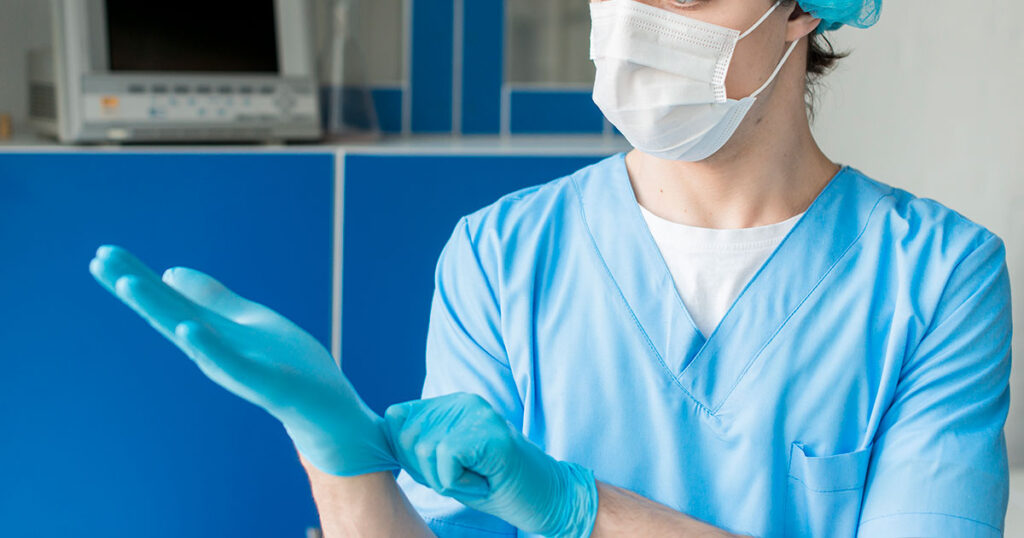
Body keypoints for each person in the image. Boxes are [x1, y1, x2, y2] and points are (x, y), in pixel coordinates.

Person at [90, 0, 1012, 536]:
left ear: (808, 9)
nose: (642, 18)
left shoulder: (937, 280)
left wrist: (579, 508)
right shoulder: (501, 255)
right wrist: (338, 459)